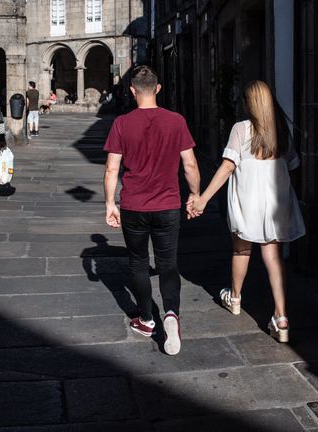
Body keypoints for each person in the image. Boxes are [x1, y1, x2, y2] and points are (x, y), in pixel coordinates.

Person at [187, 80, 305, 344]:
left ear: (250, 103)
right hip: (274, 202)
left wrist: (203, 199)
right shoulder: (282, 131)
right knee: (272, 255)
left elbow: (227, 167)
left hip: (247, 200)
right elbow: (293, 166)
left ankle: (236, 298)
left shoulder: (241, 129)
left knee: (241, 249)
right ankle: (281, 316)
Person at [103, 66, 201, 356]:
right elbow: (190, 165)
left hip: (134, 205)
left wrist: (110, 203)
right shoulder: (176, 121)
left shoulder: (122, 123)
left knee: (137, 262)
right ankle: (171, 314)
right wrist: (194, 194)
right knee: (168, 263)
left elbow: (112, 168)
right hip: (168, 204)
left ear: (133, 91)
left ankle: (146, 319)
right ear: (158, 89)